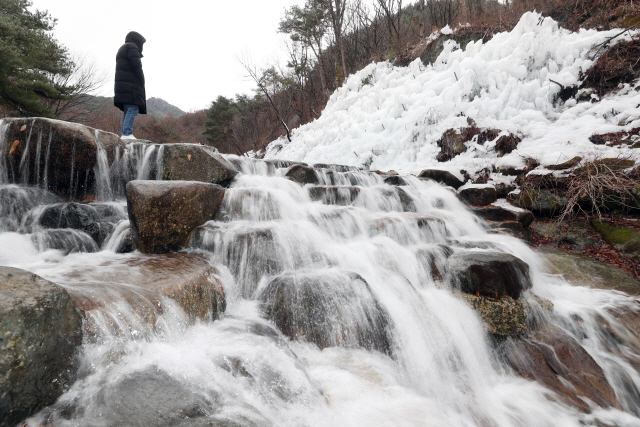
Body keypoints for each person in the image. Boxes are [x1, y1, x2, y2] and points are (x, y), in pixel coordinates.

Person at [114, 31, 147, 139]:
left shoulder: (123, 48)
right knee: (132, 109)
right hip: (131, 87)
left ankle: (124, 133)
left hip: (123, 86)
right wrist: (142, 81)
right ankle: (127, 133)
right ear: (137, 41)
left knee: (128, 110)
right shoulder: (132, 47)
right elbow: (137, 67)